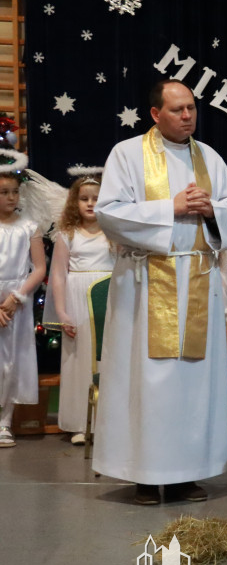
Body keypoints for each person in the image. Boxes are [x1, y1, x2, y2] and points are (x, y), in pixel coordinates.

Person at [93, 79, 227, 505]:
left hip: (197, 279)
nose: (187, 116)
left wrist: (212, 209)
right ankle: (144, 475)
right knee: (148, 382)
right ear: (155, 114)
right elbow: (109, 213)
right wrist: (171, 208)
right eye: (177, 109)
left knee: (191, 384)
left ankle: (186, 473)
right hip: (145, 285)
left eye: (192, 108)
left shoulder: (208, 157)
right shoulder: (127, 154)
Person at [43, 173, 115, 446]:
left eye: (96, 199)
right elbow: (59, 275)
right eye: (84, 199)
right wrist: (62, 313)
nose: (90, 204)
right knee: (78, 361)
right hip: (76, 300)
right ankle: (79, 423)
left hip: (106, 300)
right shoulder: (67, 234)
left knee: (105, 360)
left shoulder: (113, 234)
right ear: (75, 202)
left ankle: (105, 422)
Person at [0, 169, 46, 448]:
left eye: (14, 192)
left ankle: (5, 421)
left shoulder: (29, 226)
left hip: (17, 302)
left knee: (10, 363)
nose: (11, 197)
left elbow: (39, 268)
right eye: (4, 192)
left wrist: (16, 298)